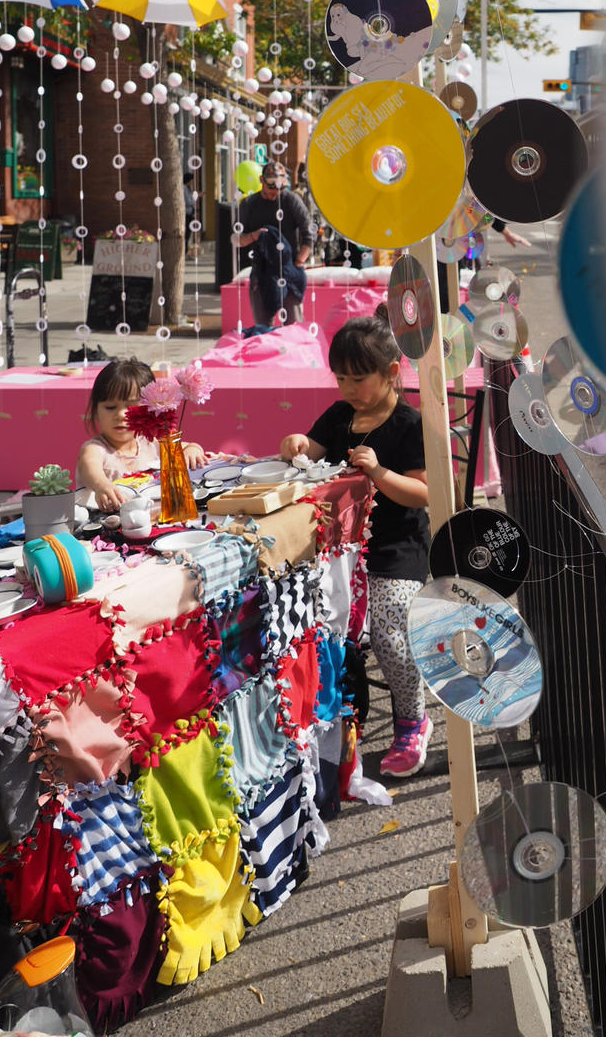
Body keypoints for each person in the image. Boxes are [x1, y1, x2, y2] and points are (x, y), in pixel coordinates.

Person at [279, 310, 432, 779]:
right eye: (341, 378)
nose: (347, 389)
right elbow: (312, 448)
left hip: (397, 548)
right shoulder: (342, 415)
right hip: (341, 550)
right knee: (313, 624)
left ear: (390, 373)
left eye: (358, 378)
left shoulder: (408, 425)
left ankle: (413, 720)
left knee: (388, 632)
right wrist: (296, 444)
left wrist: (379, 472)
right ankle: (336, 727)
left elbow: (425, 492)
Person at [77, 358, 209, 512]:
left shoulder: (150, 441)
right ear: (95, 410)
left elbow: (188, 446)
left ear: (149, 408)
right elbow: (89, 467)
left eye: (131, 407)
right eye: (110, 407)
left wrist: (192, 450)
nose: (120, 415)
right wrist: (102, 485)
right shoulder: (96, 448)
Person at [234, 161, 315, 327]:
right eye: (271, 188)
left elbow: (310, 234)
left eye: (279, 188)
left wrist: (299, 262)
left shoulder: (291, 200)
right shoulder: (250, 204)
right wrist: (253, 236)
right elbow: (236, 239)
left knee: (294, 325)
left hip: (289, 269)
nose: (275, 193)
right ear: (261, 181)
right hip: (261, 271)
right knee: (263, 326)